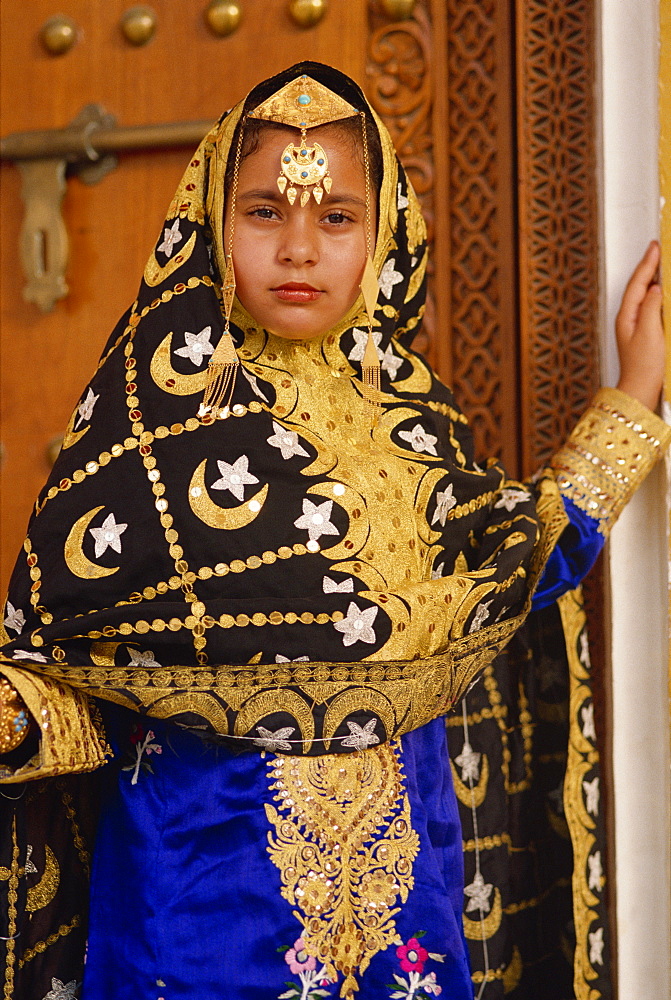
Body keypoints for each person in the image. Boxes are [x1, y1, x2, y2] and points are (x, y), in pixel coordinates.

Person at [0, 62, 667, 1000]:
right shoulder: (141, 429)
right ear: (207, 223)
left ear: (385, 231)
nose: (301, 247)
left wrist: (633, 399)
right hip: (192, 916)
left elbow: (514, 574)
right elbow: (74, 667)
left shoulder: (415, 424)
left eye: (337, 217)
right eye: (265, 211)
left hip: (405, 921)